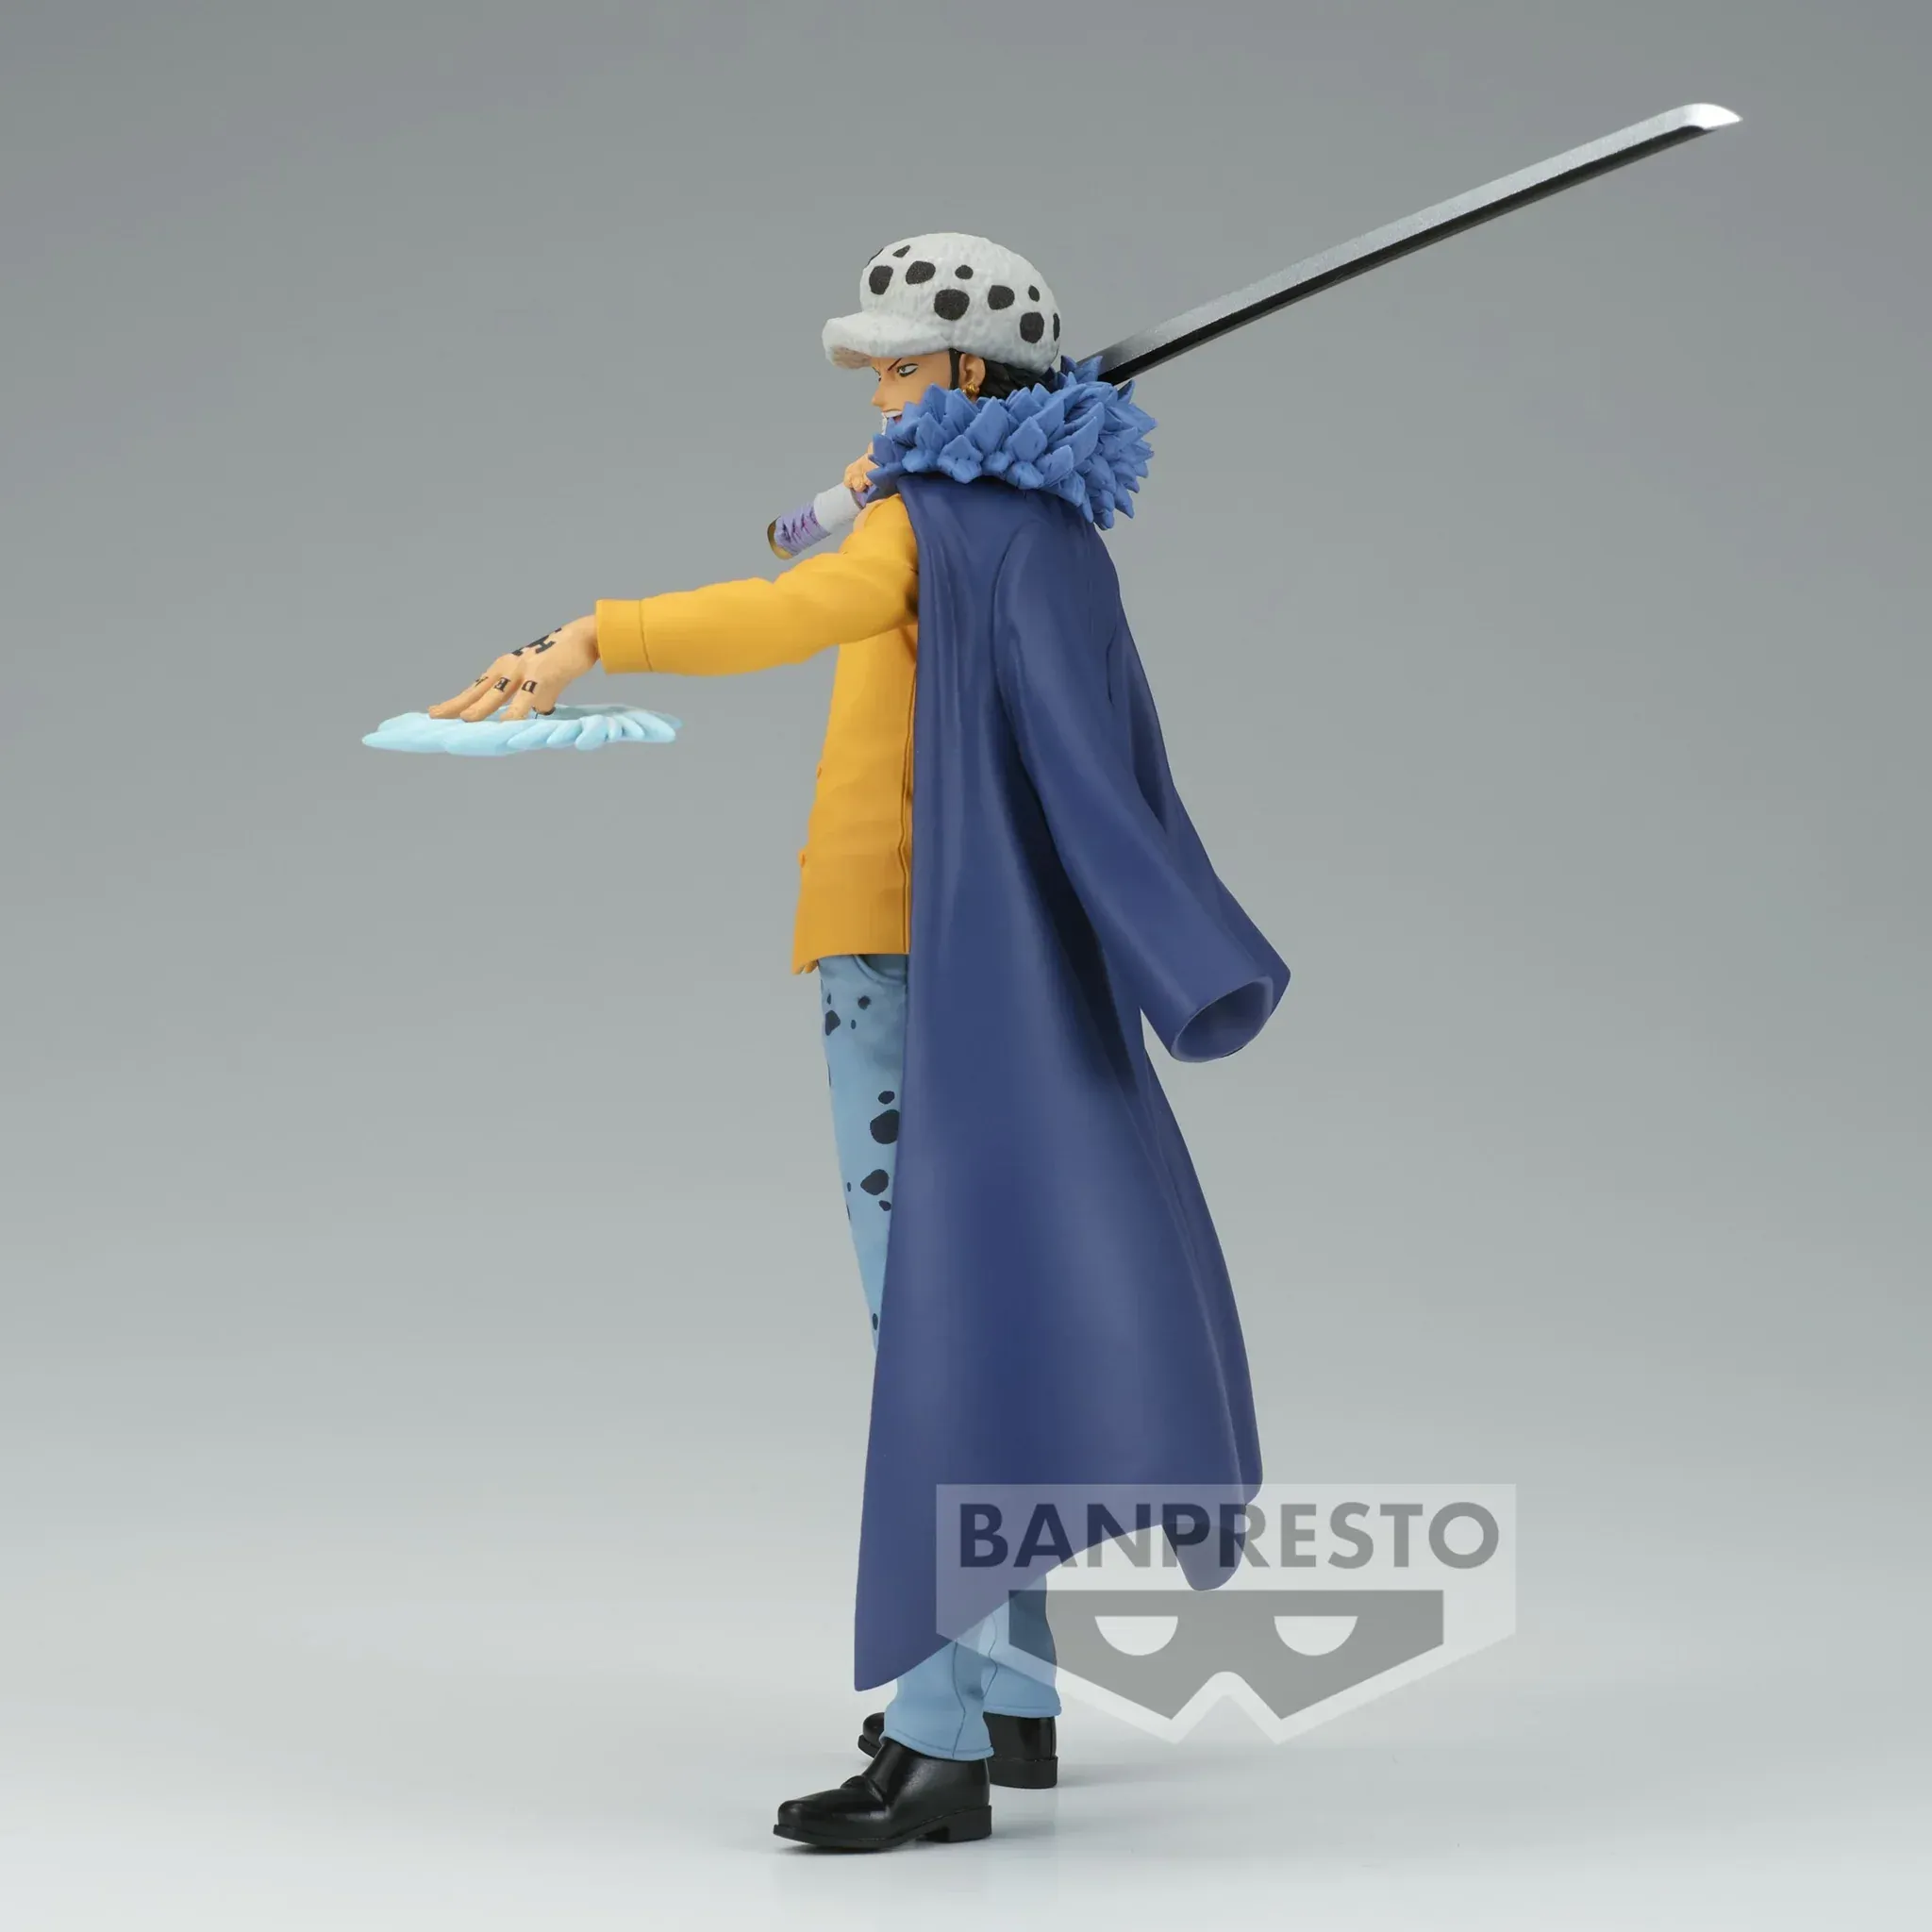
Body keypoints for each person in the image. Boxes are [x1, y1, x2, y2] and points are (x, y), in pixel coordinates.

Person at [426, 231, 1289, 1851]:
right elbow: (816, 549)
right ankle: (1015, 1697)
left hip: (904, 963)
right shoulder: (1016, 530)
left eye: (901, 367)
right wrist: (868, 487)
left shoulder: (935, 528)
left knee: (940, 1333)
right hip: (968, 960)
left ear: (966, 374)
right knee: (987, 1308)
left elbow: (787, 607)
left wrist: (594, 633)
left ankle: (940, 1742)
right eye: (874, 368)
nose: (879, 391)